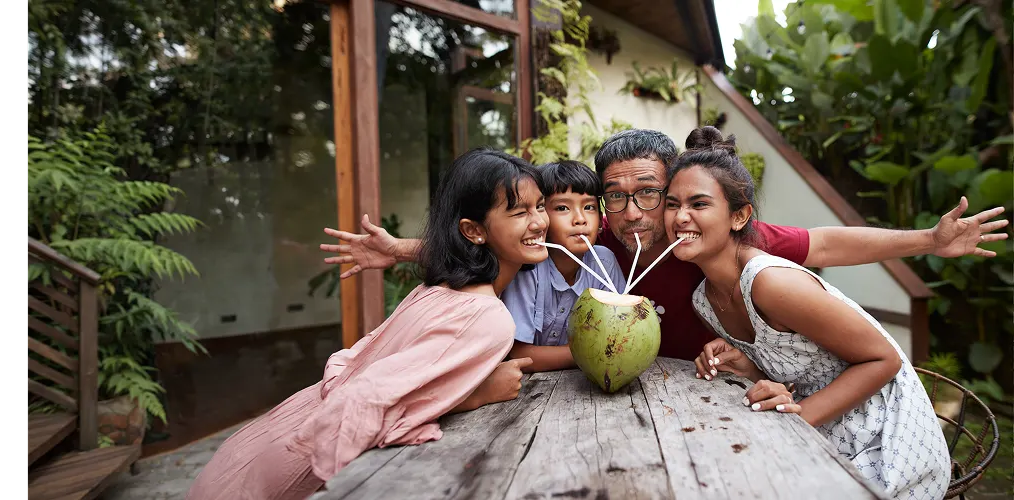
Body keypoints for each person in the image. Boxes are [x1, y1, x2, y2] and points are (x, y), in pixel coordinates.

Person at [320, 129, 1008, 362]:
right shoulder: (599, 249)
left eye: (649, 193)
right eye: (613, 196)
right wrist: (404, 249)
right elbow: (516, 242)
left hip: (729, 392)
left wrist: (928, 240)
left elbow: (826, 241)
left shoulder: (713, 240)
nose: (631, 212)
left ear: (674, 189)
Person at [186, 149, 549, 500]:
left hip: (257, 446)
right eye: (520, 212)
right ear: (473, 230)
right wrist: (476, 394)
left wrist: (399, 249)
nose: (540, 222)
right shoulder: (486, 316)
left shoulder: (438, 289)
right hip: (293, 469)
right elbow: (360, 404)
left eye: (541, 206)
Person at [672, 127, 949, 499]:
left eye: (699, 204)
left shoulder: (770, 282)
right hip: (817, 430)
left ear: (739, 216)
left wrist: (797, 415)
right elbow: (798, 371)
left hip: (887, 442)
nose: (680, 217)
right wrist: (748, 368)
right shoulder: (704, 300)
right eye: (672, 204)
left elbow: (884, 359)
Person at [503, 160, 625, 372]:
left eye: (589, 207)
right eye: (562, 208)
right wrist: (592, 353)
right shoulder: (528, 266)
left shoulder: (604, 263)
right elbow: (520, 355)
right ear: (541, 216)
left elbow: (621, 332)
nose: (580, 219)